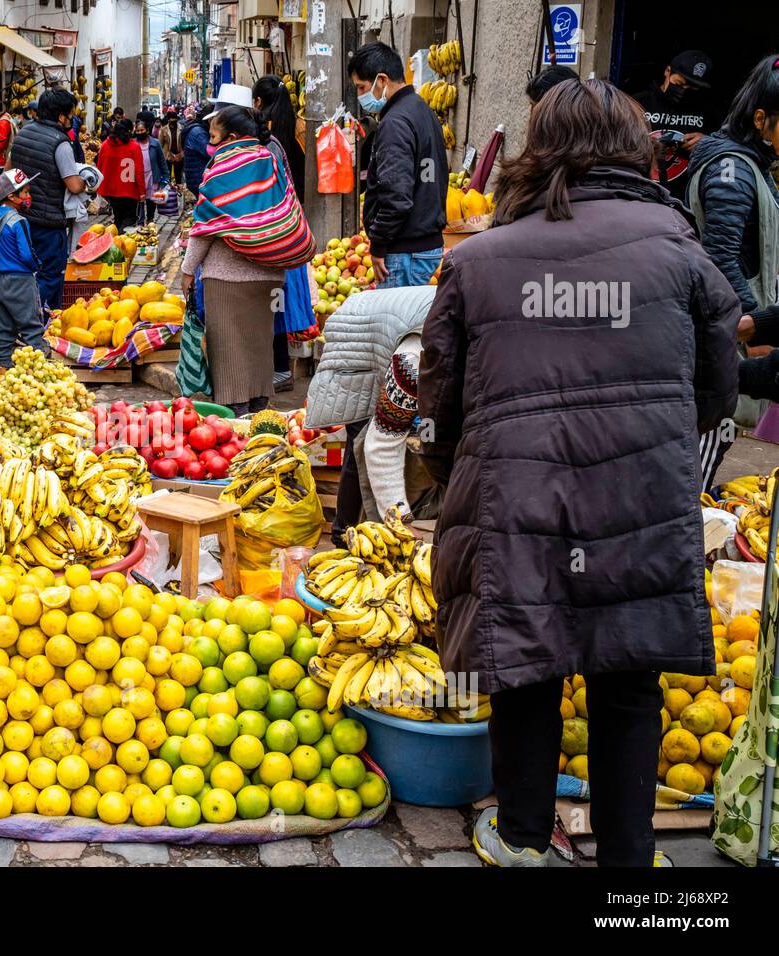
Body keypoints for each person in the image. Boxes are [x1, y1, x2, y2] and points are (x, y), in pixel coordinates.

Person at [418, 79, 740, 868]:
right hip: (641, 494)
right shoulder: (681, 253)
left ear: (538, 148)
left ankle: (522, 836)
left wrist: (460, 462)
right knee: (628, 669)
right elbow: (716, 388)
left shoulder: (480, 258)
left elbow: (438, 396)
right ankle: (631, 860)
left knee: (523, 662)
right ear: (634, 148)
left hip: (517, 496)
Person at [180, 106, 305, 416]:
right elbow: (287, 206)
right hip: (270, 274)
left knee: (228, 351)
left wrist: (186, 270)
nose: (209, 143)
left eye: (213, 136)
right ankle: (260, 413)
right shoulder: (270, 160)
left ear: (232, 137)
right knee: (259, 347)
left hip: (226, 278)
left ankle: (234, 419)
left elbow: (205, 227)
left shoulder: (222, 165)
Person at [686, 54, 779, 473]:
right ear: (761, 118)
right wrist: (755, 324)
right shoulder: (732, 171)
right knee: (706, 442)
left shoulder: (753, 166)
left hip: (738, 330)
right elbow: (720, 256)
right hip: (727, 333)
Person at [306, 285, 438, 532]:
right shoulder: (413, 361)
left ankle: (360, 526)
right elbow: (382, 444)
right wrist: (400, 522)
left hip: (389, 324)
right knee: (361, 440)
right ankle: (345, 531)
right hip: (356, 336)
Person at [351, 42, 448, 287]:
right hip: (423, 244)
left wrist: (380, 244)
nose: (360, 96)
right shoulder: (422, 110)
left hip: (405, 251)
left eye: (362, 87)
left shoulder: (395, 123)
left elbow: (396, 195)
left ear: (381, 80)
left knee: (398, 325)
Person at [254, 74, 311, 392]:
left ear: (258, 104)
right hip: (292, 220)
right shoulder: (300, 126)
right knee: (280, 298)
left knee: (273, 299)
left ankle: (278, 369)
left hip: (276, 227)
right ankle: (279, 367)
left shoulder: (266, 140)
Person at [8, 88, 88, 312]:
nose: (72, 119)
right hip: (49, 221)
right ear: (61, 116)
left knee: (26, 272)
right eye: (70, 114)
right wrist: (86, 181)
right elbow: (73, 185)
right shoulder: (60, 143)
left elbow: (9, 174)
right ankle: (37, 321)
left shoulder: (23, 133)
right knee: (50, 274)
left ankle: (29, 318)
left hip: (22, 217)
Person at [0, 169, 46, 368]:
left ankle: (4, 365)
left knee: (5, 327)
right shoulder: (18, 221)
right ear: (12, 196)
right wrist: (37, 267)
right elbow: (27, 253)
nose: (28, 197)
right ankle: (42, 365)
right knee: (31, 326)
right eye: (25, 193)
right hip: (21, 281)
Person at [635, 50, 716, 203]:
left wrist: (708, 141)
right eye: (679, 84)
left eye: (692, 89)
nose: (683, 91)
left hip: (686, 200)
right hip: (641, 195)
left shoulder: (707, 112)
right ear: (667, 71)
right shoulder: (638, 103)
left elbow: (726, 144)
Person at [253, 75, 306, 202]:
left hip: (271, 200)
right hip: (298, 198)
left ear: (258, 101)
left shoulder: (261, 128)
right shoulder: (301, 126)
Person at [95, 119, 146, 231]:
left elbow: (99, 167)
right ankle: (122, 242)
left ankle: (116, 240)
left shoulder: (105, 145)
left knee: (118, 218)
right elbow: (138, 171)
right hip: (130, 190)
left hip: (111, 191)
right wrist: (142, 191)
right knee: (130, 219)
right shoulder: (134, 146)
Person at [134, 112, 168, 224]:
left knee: (151, 201)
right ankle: (140, 222)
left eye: (142, 130)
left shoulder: (155, 143)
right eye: (137, 131)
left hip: (152, 176)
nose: (139, 132)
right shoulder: (133, 144)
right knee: (139, 201)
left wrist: (165, 177)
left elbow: (162, 162)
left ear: (147, 130)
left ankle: (150, 220)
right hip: (138, 177)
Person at [181, 101, 211, 197]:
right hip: (198, 178)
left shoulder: (198, 130)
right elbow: (210, 152)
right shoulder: (198, 133)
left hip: (197, 178)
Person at [160, 110, 184, 184]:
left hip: (179, 155)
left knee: (178, 176)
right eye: (171, 118)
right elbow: (160, 144)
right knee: (168, 176)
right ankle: (169, 192)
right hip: (168, 155)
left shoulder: (182, 128)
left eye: (174, 118)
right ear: (168, 119)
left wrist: (181, 154)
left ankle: (179, 193)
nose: (173, 120)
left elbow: (184, 142)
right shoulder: (163, 129)